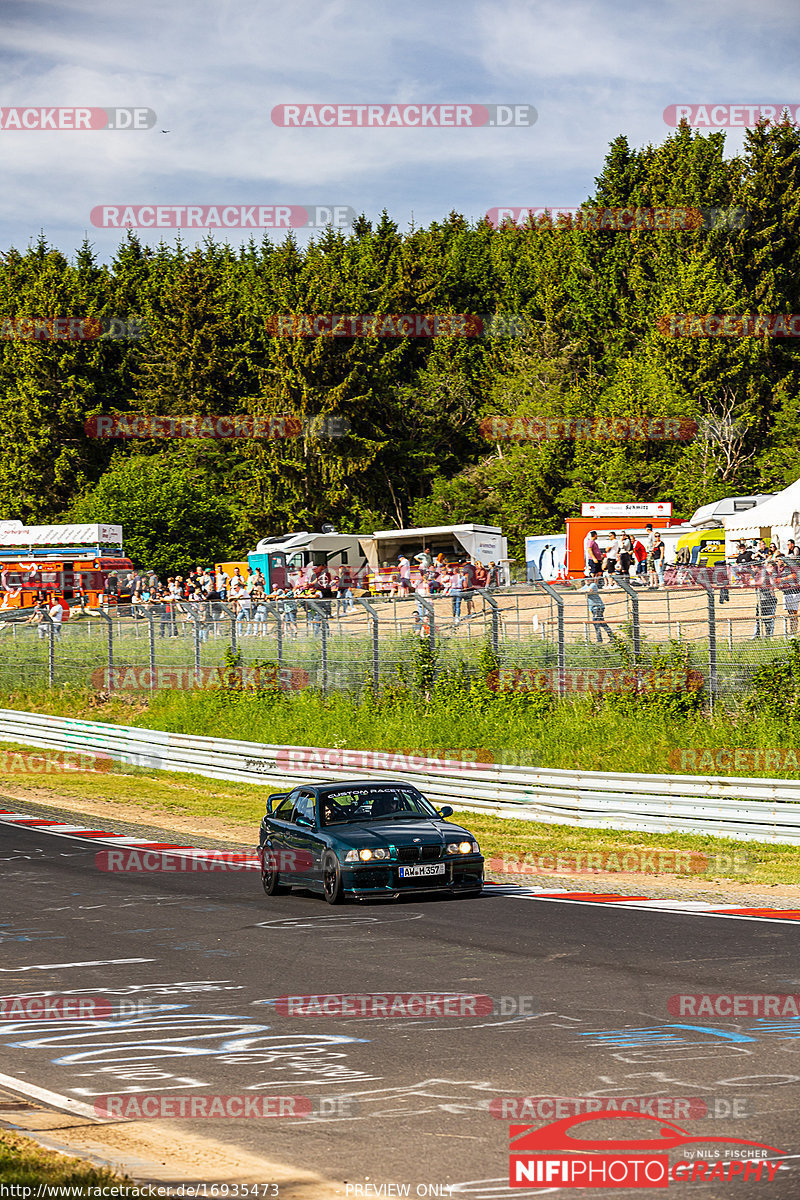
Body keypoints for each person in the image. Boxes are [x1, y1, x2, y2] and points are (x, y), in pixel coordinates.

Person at [582, 578, 613, 643]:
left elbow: (589, 590)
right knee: (601, 623)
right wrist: (584, 590)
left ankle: (600, 640)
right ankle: (612, 637)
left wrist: (584, 590)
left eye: (588, 579)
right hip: (593, 607)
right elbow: (579, 590)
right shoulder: (586, 586)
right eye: (586, 579)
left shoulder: (593, 584)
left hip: (598, 607)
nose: (587, 581)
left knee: (596, 623)